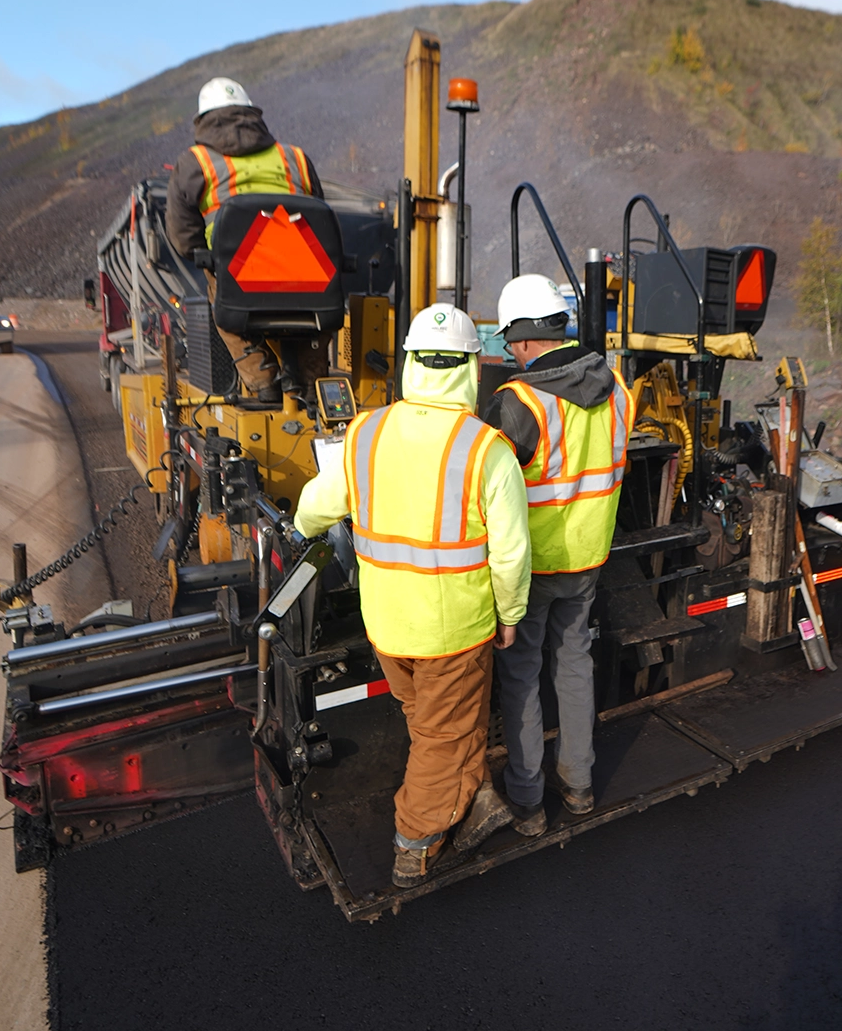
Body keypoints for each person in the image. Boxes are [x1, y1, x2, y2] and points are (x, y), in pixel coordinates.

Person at [294, 303, 531, 888]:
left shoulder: (364, 432)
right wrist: (511, 614)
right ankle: (414, 842)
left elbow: (312, 510)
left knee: (436, 723)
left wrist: (301, 529)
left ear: (409, 364)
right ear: (473, 370)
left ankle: (468, 797)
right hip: (452, 632)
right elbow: (510, 554)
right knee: (442, 734)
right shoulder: (486, 450)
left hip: (387, 625)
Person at [480, 274, 633, 837]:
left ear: (521, 340)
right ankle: (580, 785)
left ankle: (527, 802)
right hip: (589, 558)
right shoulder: (617, 388)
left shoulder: (516, 402)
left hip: (532, 568)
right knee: (574, 663)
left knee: (521, 676)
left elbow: (485, 490)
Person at [166, 76, 323, 403]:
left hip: (238, 275)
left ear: (202, 120)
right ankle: (312, 385)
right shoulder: (296, 157)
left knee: (221, 296)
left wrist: (209, 256)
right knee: (311, 309)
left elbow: (184, 237)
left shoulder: (195, 162)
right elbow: (320, 215)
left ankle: (263, 381)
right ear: (252, 113)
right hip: (305, 276)